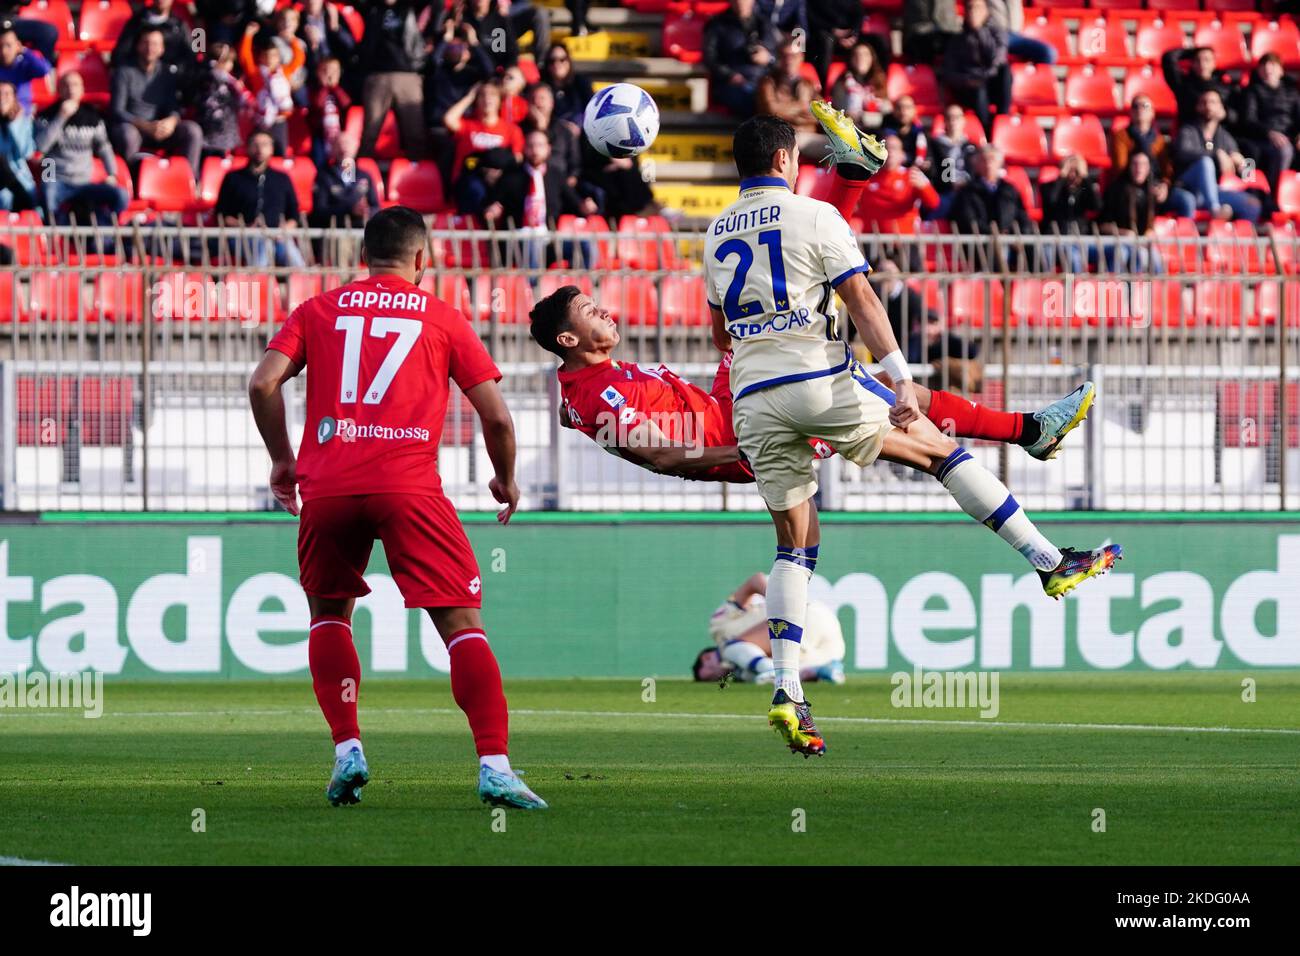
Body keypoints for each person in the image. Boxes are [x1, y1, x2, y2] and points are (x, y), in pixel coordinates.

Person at [702, 113, 1119, 755]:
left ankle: (788, 689)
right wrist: (897, 375)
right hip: (816, 374)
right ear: (786, 161)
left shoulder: (713, 233)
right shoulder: (814, 216)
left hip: (751, 398)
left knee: (794, 547)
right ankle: (1049, 561)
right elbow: (865, 301)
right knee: (941, 451)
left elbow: (720, 335)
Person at [246, 205, 547, 811]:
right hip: (409, 486)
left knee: (329, 616)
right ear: (423, 258)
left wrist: (283, 461)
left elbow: (262, 383)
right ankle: (494, 766)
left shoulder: (317, 310)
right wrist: (506, 479)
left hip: (327, 486)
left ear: (363, 256)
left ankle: (348, 750)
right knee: (462, 626)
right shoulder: (442, 317)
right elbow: (496, 415)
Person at [529, 284, 1093, 482]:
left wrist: (571, 410)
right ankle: (1023, 435)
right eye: (587, 310)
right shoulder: (600, 394)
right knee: (898, 425)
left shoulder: (591, 386)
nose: (602, 311)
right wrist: (750, 447)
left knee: (748, 320)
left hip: (731, 403)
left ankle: (1025, 431)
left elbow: (574, 411)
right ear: (569, 341)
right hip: (750, 432)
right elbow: (665, 457)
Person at [693, 572, 846, 686]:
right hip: (830, 647)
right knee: (758, 673)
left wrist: (780, 604)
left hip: (802, 616)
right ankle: (826, 670)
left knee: (731, 649)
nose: (717, 678)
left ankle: (771, 671)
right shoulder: (745, 663)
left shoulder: (719, 627)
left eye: (710, 677)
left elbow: (756, 580)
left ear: (705, 658)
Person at [871, 257, 981, 393]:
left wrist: (936, 333)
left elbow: (971, 350)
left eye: (888, 271)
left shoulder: (911, 298)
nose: (884, 276)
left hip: (911, 355)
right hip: (890, 356)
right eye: (880, 271)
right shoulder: (872, 298)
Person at [34, 72, 127, 225]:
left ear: (82, 90)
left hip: (84, 181)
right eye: (66, 85)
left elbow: (104, 147)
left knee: (121, 195)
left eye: (75, 85)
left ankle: (101, 229)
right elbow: (41, 148)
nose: (71, 89)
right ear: (58, 89)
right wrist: (61, 117)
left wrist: (112, 174)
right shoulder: (46, 115)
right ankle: (57, 231)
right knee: (46, 191)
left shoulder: (93, 116)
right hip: (55, 178)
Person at [110, 27, 203, 178]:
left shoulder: (167, 73)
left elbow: (174, 106)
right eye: (146, 43)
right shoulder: (124, 72)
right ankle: (131, 181)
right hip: (135, 127)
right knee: (127, 135)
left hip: (160, 129)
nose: (150, 48)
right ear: (138, 46)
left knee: (192, 131)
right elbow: (117, 111)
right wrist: (145, 126)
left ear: (162, 49)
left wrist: (171, 121)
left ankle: (189, 181)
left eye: (154, 44)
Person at [214, 129, 306, 268]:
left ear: (272, 149)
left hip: (277, 236)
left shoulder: (282, 179)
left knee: (291, 253)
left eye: (264, 144)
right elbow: (222, 214)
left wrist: (282, 230)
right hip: (242, 236)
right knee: (263, 245)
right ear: (247, 148)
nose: (259, 149)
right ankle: (257, 286)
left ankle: (304, 285)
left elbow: (294, 214)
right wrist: (244, 227)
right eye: (255, 144)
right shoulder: (233, 178)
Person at [1173, 89, 1261, 223]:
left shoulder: (1224, 137)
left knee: (1252, 204)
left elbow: (1249, 176)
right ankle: (1214, 209)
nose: (1208, 106)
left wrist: (1244, 163)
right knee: (1205, 162)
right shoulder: (1188, 130)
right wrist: (1216, 154)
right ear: (1197, 107)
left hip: (1213, 191)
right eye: (1204, 102)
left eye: (1213, 102)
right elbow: (1183, 153)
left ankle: (1240, 242)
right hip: (1188, 188)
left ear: (1221, 109)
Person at [356, 0, 429, 159]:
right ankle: (362, 173)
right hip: (377, 76)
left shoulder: (410, 7)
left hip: (407, 75)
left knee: (415, 133)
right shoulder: (371, 7)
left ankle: (418, 174)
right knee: (370, 132)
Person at [1110, 93, 1193, 219]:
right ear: (1131, 112)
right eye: (1135, 106)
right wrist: (1145, 187)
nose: (1140, 109)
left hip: (1156, 187)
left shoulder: (1159, 141)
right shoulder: (1121, 137)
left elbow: (1167, 170)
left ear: (1152, 113)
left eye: (1145, 106)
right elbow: (1121, 168)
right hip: (1131, 188)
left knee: (1186, 200)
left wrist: (1164, 186)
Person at [1233, 53, 1300, 201]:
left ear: (1281, 71)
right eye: (1264, 65)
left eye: (1273, 65)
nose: (1268, 68)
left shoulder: (1292, 93)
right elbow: (1248, 120)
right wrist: (1269, 133)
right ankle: (1276, 196)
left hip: (1287, 137)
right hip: (1261, 139)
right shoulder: (1251, 91)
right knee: (1284, 150)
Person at [941, 0, 1010, 135]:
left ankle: (1003, 120)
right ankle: (986, 131)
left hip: (990, 81)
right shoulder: (957, 40)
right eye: (970, 8)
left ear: (986, 11)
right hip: (969, 87)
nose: (973, 11)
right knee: (978, 88)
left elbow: (997, 58)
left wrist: (979, 30)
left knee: (1006, 71)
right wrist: (969, 80)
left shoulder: (996, 34)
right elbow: (949, 72)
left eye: (978, 8)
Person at [703, 0, 779, 117]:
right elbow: (710, 58)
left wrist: (769, 58)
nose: (741, 3)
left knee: (775, 96)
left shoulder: (764, 23)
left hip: (762, 80)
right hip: (731, 84)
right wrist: (729, 75)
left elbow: (778, 55)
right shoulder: (717, 24)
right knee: (754, 100)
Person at [446, 80, 525, 181]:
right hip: (469, 179)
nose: (487, 98)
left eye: (492, 94)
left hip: (498, 181)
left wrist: (500, 169)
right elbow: (449, 119)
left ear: (500, 101)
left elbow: (518, 157)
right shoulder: (467, 125)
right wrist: (469, 97)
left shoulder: (512, 129)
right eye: (482, 95)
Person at [948, 144, 1033, 235]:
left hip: (1009, 243)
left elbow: (1021, 215)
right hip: (980, 244)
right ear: (976, 164)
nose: (988, 164)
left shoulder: (1009, 190)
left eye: (992, 159)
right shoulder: (967, 191)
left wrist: (1021, 235)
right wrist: (992, 233)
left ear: (999, 163)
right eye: (984, 160)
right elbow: (967, 219)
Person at [1098, 151, 1161, 273]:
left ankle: (1157, 291)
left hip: (1141, 244)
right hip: (1116, 242)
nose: (1139, 169)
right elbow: (1102, 226)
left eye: (1143, 165)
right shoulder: (1116, 189)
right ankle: (1114, 290)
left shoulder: (1151, 192)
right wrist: (1124, 233)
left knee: (1155, 258)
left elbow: (1151, 226)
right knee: (1123, 254)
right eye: (1135, 164)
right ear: (1129, 166)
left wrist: (1150, 232)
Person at [755, 37, 822, 150]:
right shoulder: (768, 82)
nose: (789, 60)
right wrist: (804, 106)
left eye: (793, 56)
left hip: (808, 136)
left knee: (844, 148)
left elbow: (822, 114)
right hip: (781, 138)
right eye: (784, 56)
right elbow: (773, 111)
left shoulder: (808, 84)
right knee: (837, 151)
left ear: (801, 57)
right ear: (778, 58)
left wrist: (789, 114)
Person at [241, 27, 296, 154]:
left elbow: (298, 59)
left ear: (278, 57)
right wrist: (248, 35)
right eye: (266, 56)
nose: (270, 59)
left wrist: (292, 39)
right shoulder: (256, 73)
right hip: (262, 120)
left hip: (279, 120)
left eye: (273, 56)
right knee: (259, 152)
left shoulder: (285, 72)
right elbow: (245, 57)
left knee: (280, 152)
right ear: (260, 58)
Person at [1040, 153, 1100, 272]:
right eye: (1069, 172)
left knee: (1075, 256)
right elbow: (1050, 202)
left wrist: (1085, 176)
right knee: (1048, 254)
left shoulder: (1085, 190)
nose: (1072, 176)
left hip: (1079, 239)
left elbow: (1097, 206)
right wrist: (1062, 177)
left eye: (1076, 172)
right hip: (1055, 239)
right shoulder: (1050, 187)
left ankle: (1077, 289)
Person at [194, 41, 254, 160]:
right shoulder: (217, 78)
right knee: (212, 160)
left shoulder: (224, 80)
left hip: (224, 128)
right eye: (229, 61)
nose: (231, 65)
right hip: (215, 128)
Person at [309, 133, 379, 228]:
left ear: (356, 147)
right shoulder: (323, 176)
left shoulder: (365, 176)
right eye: (339, 144)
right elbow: (319, 211)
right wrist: (350, 210)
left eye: (348, 144)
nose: (343, 148)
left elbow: (376, 207)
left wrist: (366, 211)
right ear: (332, 149)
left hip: (361, 230)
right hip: (334, 232)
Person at [1162, 45, 1233, 128]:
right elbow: (1169, 58)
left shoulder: (1224, 87)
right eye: (1197, 60)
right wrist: (1192, 51)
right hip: (1190, 131)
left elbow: (1236, 116)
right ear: (1192, 64)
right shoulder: (1183, 84)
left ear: (1214, 63)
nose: (1202, 64)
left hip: (1218, 131)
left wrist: (1225, 114)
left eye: (1207, 60)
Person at [928, 103, 979, 218]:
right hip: (944, 190)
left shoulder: (972, 147)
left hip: (968, 190)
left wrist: (966, 184)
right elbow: (933, 172)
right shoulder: (934, 145)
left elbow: (976, 172)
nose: (953, 121)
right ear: (944, 121)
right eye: (949, 117)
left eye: (957, 117)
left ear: (963, 121)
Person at [830, 42, 890, 132]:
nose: (860, 58)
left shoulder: (879, 82)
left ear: (872, 59)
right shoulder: (842, 82)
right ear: (850, 59)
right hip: (850, 132)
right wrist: (874, 117)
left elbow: (887, 111)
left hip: (877, 132)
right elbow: (845, 114)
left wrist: (865, 117)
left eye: (865, 55)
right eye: (856, 55)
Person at [307, 56, 352, 169]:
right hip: (321, 134)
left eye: (334, 71)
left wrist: (335, 88)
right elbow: (317, 104)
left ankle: (349, 182)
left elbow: (346, 105)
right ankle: (323, 181)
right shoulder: (314, 90)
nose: (330, 75)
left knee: (346, 154)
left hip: (339, 134)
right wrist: (324, 88)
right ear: (318, 73)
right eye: (325, 71)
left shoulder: (341, 89)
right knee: (320, 159)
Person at [0, 20, 51, 115]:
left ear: (17, 45)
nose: (4, 51)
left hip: (22, 118)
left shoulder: (23, 64)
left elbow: (44, 70)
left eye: (8, 45)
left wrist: (25, 51)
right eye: (0, 46)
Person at [540, 42, 592, 127]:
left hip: (581, 131)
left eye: (562, 59)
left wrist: (577, 124)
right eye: (552, 61)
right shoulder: (542, 85)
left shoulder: (581, 82)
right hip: (553, 132)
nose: (557, 64)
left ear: (568, 61)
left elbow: (592, 109)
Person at [0, 80, 34, 211]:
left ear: (14, 99)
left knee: (31, 191)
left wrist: (15, 123)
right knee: (5, 196)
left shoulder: (23, 122)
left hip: (20, 177)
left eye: (7, 94)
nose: (2, 97)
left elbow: (25, 152)